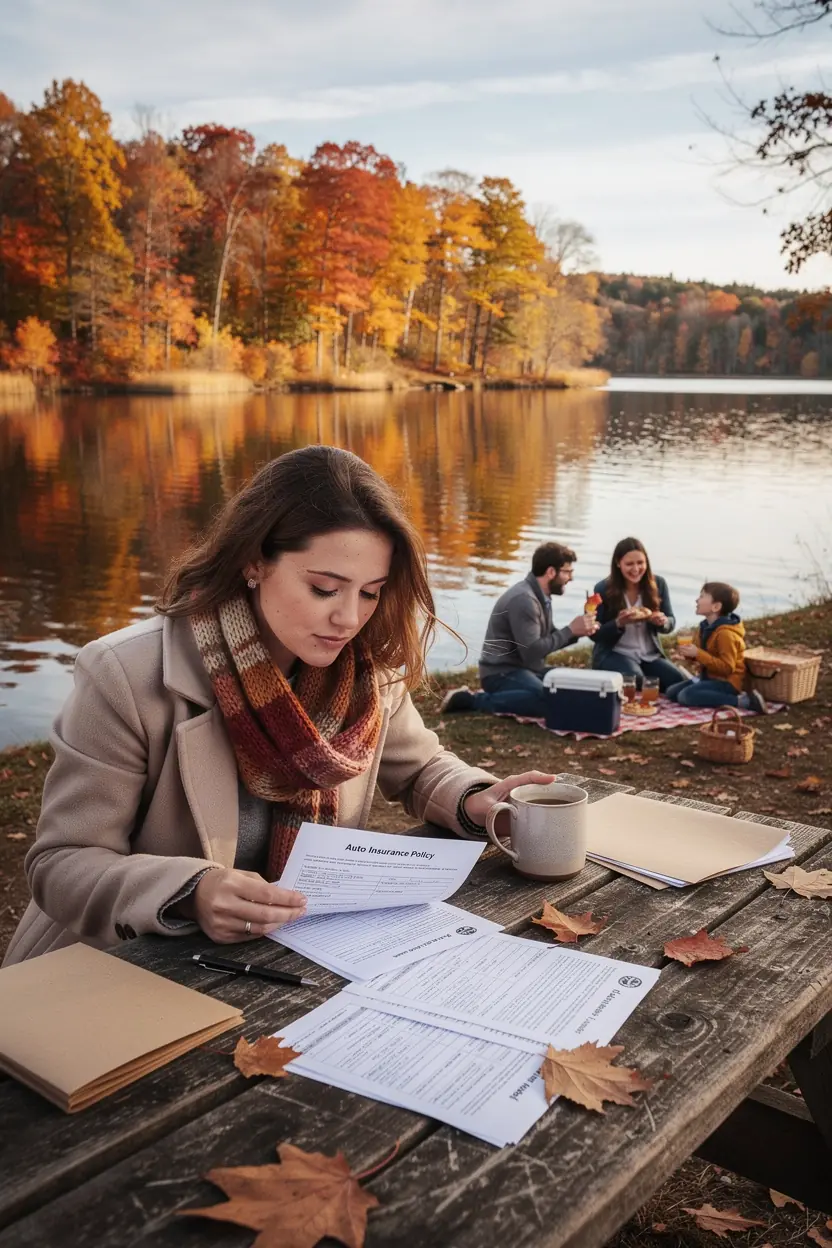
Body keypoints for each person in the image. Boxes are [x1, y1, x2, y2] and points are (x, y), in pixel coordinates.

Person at [4, 446, 556, 966]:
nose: (349, 618)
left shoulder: (364, 669)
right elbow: (63, 863)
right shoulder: (125, 674)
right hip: (106, 970)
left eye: (370, 592)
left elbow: (418, 768)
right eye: (323, 588)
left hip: (277, 956)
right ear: (253, 562)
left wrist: (477, 799)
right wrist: (190, 891)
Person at [440, 541, 598, 718]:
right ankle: (470, 700)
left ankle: (518, 695)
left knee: (575, 687)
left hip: (527, 669)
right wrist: (570, 630)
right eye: (567, 572)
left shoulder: (541, 596)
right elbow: (532, 651)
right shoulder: (524, 600)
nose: (571, 578)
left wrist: (577, 632)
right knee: (550, 701)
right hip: (501, 672)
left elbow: (549, 639)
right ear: (551, 572)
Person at [591, 537, 687, 692]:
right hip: (616, 653)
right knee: (636, 680)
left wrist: (663, 622)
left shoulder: (658, 584)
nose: (636, 569)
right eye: (629, 564)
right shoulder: (602, 589)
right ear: (618, 563)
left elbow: (670, 621)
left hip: (649, 654)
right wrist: (618, 623)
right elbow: (594, 634)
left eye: (640, 563)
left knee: (676, 680)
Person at [666, 582, 766, 712]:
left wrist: (698, 654)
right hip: (708, 678)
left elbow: (727, 668)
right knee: (671, 692)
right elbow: (705, 657)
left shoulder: (726, 634)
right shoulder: (705, 627)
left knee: (685, 696)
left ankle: (744, 701)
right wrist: (689, 655)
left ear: (716, 606)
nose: (697, 600)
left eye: (702, 597)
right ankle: (701, 688)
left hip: (727, 683)